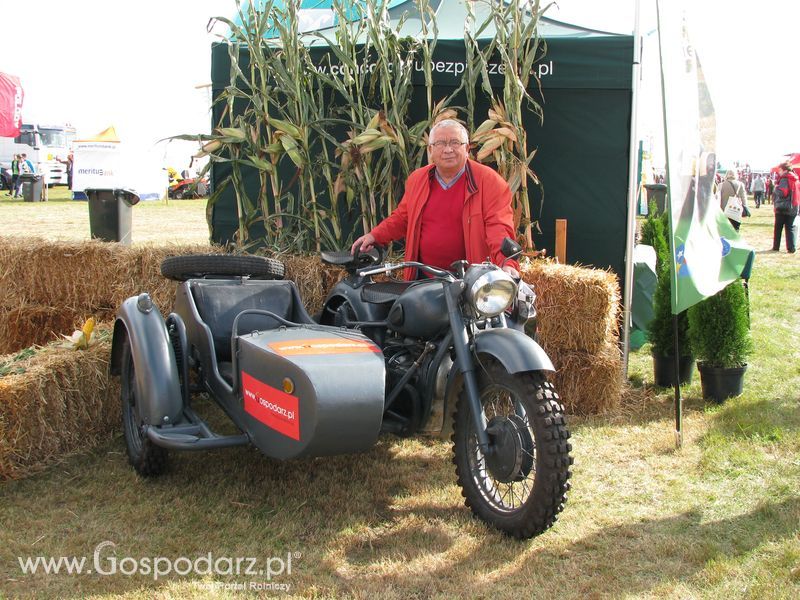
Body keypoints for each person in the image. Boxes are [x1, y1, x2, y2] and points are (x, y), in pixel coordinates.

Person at [351, 119, 519, 280]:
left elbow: (499, 228)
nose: (448, 150)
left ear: (467, 148)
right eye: (440, 144)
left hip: (470, 282)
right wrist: (375, 236)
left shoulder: (489, 182)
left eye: (455, 143)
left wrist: (507, 263)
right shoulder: (417, 179)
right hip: (423, 276)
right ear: (430, 150)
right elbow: (403, 218)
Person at [771, 160, 799, 253]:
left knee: (778, 228)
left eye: (780, 170)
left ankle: (776, 246)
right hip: (793, 206)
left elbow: (783, 192)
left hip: (782, 207)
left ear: (784, 170)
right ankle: (791, 247)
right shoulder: (796, 179)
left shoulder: (784, 179)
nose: (779, 172)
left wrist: (775, 188)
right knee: (789, 228)